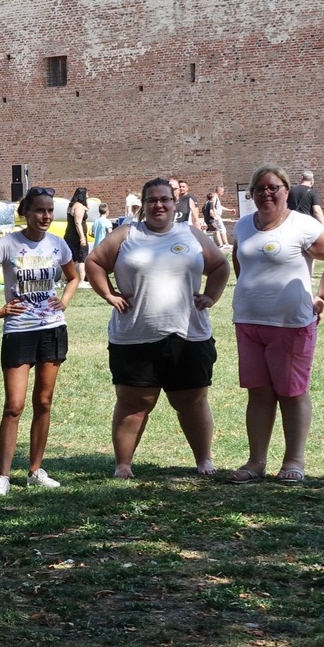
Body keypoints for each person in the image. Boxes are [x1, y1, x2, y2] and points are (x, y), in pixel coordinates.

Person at [84, 177, 230, 479]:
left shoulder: (190, 234)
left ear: (174, 203)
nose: (158, 205)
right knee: (133, 402)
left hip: (189, 333)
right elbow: (94, 262)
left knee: (191, 400)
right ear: (144, 205)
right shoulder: (127, 234)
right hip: (134, 335)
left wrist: (211, 296)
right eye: (152, 200)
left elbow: (219, 265)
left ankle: (204, 459)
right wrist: (109, 294)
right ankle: (123, 465)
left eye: (165, 199)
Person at [226, 166, 324, 483]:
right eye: (259, 189)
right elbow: (240, 259)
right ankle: (256, 462)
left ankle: (294, 461)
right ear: (251, 194)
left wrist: (322, 297)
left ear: (286, 190)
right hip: (249, 321)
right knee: (258, 392)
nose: (266, 194)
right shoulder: (243, 225)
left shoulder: (302, 225)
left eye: (273, 187)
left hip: (290, 323)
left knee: (292, 393)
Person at [0, 186, 79, 494]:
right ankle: (3, 476)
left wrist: (65, 300)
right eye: (39, 210)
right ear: (25, 212)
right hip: (19, 331)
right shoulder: (8, 243)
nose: (46, 216)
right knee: (14, 405)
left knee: (44, 401)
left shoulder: (57, 244)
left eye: (50, 210)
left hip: (52, 329)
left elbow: (74, 276)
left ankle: (35, 470)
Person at [63, 188, 89, 261]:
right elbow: (78, 223)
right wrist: (82, 238)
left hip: (69, 235)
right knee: (81, 260)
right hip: (76, 237)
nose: (88, 196)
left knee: (71, 260)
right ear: (82, 195)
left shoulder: (72, 205)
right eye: (86, 194)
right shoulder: (79, 206)